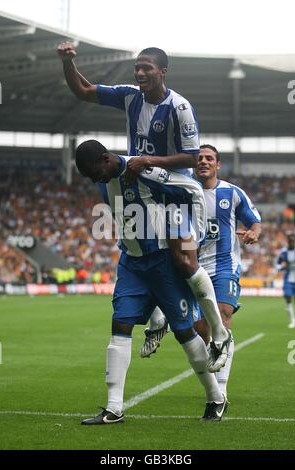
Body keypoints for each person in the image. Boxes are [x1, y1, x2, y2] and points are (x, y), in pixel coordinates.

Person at [57, 44, 231, 370]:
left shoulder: (179, 107)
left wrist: (149, 159)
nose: (140, 73)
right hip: (139, 189)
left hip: (172, 191)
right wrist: (68, 60)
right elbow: (82, 90)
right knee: (139, 253)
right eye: (137, 67)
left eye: (147, 68)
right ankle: (157, 317)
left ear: (162, 71)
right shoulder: (129, 96)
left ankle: (219, 333)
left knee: (182, 258)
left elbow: (193, 158)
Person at [75, 139, 227, 424]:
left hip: (162, 265)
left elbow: (192, 188)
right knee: (120, 325)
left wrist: (196, 235)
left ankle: (215, 397)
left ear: (107, 159)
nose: (96, 180)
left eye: (96, 173)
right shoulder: (103, 178)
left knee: (185, 333)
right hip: (131, 264)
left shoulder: (142, 170)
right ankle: (113, 407)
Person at [142, 144, 262, 403]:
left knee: (222, 317)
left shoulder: (232, 193)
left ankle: (221, 389)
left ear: (218, 165)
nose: (204, 162)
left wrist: (254, 232)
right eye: (200, 158)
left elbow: (254, 220)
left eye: (210, 158)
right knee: (200, 330)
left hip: (223, 267)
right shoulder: (181, 190)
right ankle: (211, 364)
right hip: (191, 267)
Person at [276, 231, 295, 328]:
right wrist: (281, 267)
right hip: (288, 279)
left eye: (293, 239)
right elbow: (277, 265)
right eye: (290, 240)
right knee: (288, 298)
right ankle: (292, 320)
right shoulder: (283, 252)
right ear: (288, 241)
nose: (291, 241)